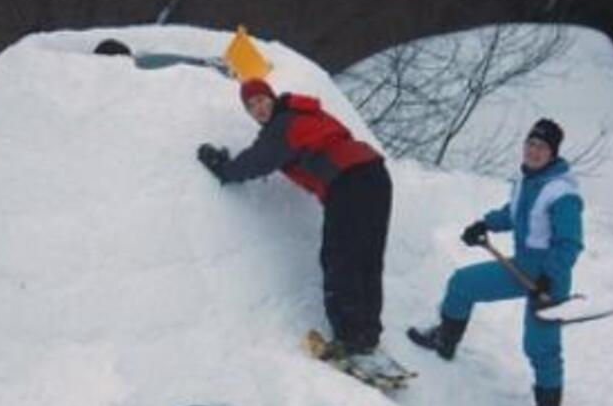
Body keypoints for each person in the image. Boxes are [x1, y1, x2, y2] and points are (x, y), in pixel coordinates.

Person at [407, 118, 583, 406]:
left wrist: (551, 278)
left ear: (553, 152)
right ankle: (445, 340)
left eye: (541, 146)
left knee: (539, 345)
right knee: (463, 284)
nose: (533, 150)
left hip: (549, 278)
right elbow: (514, 214)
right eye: (530, 143)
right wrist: (485, 224)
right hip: (522, 266)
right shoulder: (526, 180)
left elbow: (569, 244)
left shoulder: (562, 193)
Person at [196, 79, 392, 358]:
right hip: (375, 173)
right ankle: (367, 333)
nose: (258, 108)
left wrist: (224, 169)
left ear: (272, 98)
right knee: (367, 259)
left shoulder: (282, 125)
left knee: (340, 260)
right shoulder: (306, 112)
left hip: (348, 181)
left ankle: (350, 339)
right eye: (251, 106)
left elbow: (257, 161)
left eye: (262, 100)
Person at [93, 38, 229, 75]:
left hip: (208, 65)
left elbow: (174, 62)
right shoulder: (141, 60)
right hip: (206, 63)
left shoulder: (139, 65)